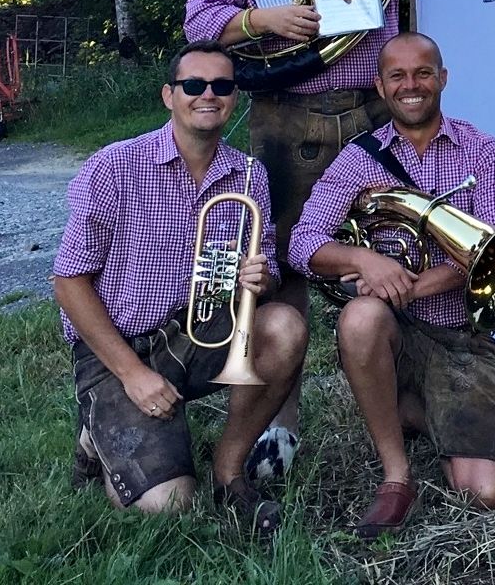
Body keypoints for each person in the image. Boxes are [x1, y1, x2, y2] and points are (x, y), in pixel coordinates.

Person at [184, 0, 449, 477]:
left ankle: (407, 403)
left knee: (398, 252)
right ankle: (281, 426)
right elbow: (199, 21)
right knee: (284, 267)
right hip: (287, 119)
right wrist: (261, 19)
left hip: (372, 116)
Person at [53, 41, 307, 538]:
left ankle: (229, 472)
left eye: (222, 85)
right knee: (168, 505)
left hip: (199, 331)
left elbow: (267, 270)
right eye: (194, 85)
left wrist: (262, 279)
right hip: (119, 349)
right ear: (169, 95)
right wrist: (132, 375)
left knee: (284, 327)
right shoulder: (114, 166)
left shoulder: (249, 174)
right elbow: (69, 283)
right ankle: (96, 432)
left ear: (234, 98)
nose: (208, 94)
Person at [289, 32, 495, 538]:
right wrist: (363, 259)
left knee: (487, 491)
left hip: (459, 337)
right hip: (390, 331)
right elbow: (303, 244)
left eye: (422, 73)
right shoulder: (358, 158)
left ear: (442, 79)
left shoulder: (480, 150)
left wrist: (411, 285)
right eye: (397, 76)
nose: (410, 85)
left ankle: (414, 409)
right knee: (361, 317)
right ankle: (396, 476)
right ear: (380, 85)